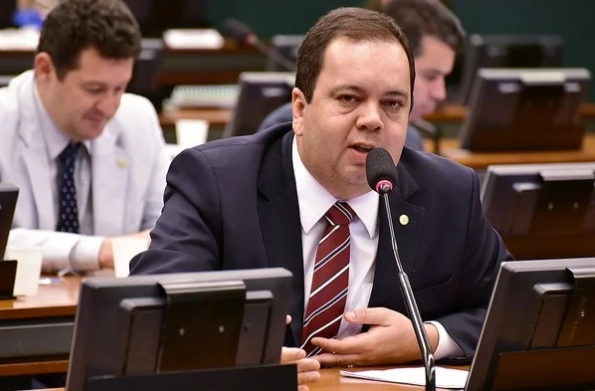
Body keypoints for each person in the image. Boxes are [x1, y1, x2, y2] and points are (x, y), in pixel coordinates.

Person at [130, 6, 511, 389]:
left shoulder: (449, 193)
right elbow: (151, 312)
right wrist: (234, 359)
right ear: (300, 109)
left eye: (393, 104)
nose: (372, 120)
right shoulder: (216, 182)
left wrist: (424, 338)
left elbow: (513, 309)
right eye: (349, 98)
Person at [0, 0, 169, 274]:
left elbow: (167, 230)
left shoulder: (138, 118)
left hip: (111, 306)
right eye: (94, 89)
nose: (109, 106)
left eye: (119, 88)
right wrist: (100, 251)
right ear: (45, 70)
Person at [258, 0, 464, 152]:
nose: (440, 93)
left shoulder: (411, 140)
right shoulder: (283, 129)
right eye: (348, 98)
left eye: (391, 103)